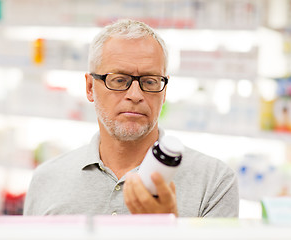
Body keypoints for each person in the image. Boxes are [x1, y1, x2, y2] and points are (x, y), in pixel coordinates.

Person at [24, 19, 239, 217]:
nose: (135, 95)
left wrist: (167, 229)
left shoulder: (214, 181)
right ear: (90, 87)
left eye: (150, 81)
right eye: (118, 80)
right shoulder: (47, 179)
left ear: (164, 92)